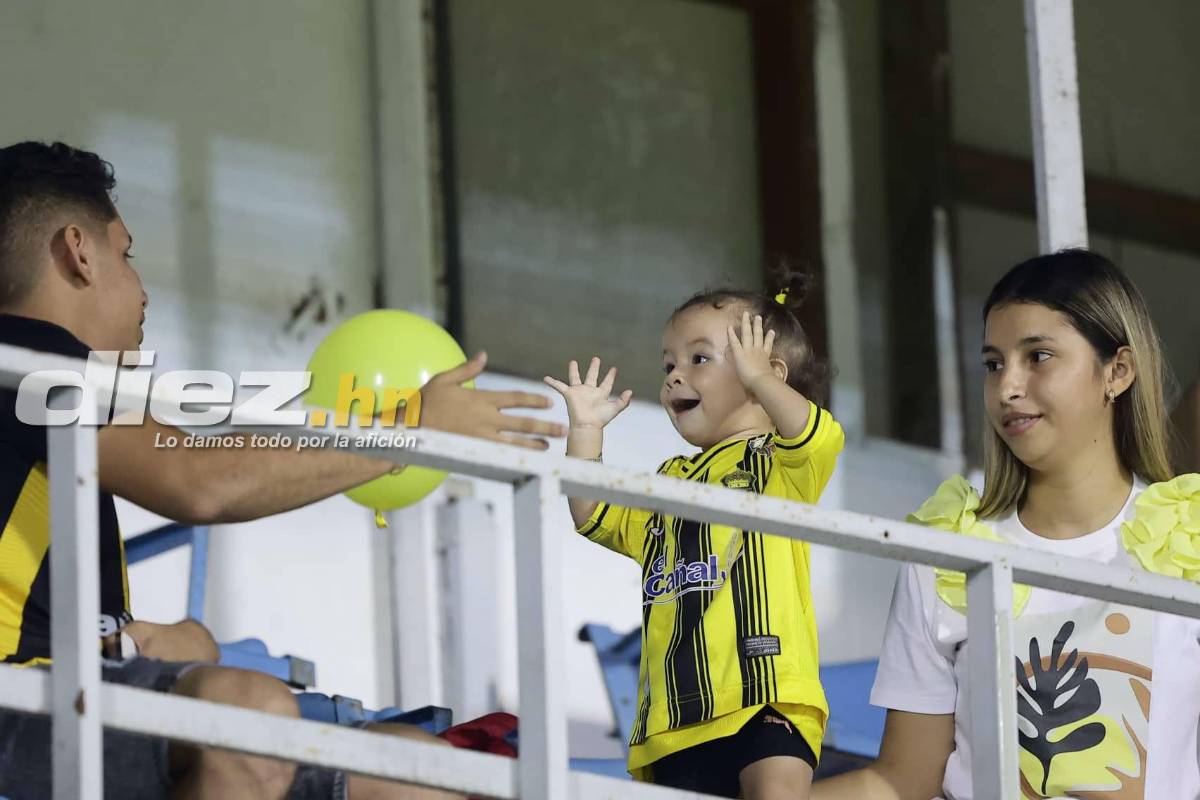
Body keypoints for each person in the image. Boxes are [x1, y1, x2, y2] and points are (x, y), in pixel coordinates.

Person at [0, 140, 565, 800]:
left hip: (68, 698)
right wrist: (415, 429)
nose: (142, 290)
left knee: (421, 771)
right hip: (22, 698)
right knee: (248, 710)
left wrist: (178, 646)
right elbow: (199, 482)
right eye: (126, 255)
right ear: (79, 251)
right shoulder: (29, 353)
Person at [814, 249, 1198, 799]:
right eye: (994, 363)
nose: (1007, 387)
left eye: (1037, 356)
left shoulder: (1191, 540)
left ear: (1117, 371)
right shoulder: (947, 551)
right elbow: (902, 781)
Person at [544, 270, 845, 799]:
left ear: (764, 373)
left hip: (765, 693)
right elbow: (591, 513)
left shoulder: (777, 464)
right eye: (669, 364)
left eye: (698, 359)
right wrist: (586, 432)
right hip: (672, 720)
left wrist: (761, 381)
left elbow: (818, 436)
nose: (674, 377)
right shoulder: (670, 481)